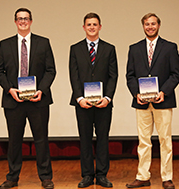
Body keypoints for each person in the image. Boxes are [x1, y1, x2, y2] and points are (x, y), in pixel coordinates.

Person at [0, 8, 56, 189]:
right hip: (13, 101)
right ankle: (12, 177)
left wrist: (41, 90)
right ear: (15, 22)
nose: (23, 21)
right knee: (14, 140)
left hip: (38, 100)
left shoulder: (43, 43)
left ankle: (45, 177)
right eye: (20, 19)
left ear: (31, 21)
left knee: (41, 140)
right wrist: (9, 89)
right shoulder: (4, 44)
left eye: (26, 18)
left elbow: (51, 70)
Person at [126, 13, 179, 189]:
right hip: (142, 102)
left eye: (153, 24)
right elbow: (130, 76)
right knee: (144, 141)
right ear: (143, 26)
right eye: (147, 24)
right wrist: (136, 93)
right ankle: (143, 176)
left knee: (165, 140)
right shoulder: (134, 48)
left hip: (163, 101)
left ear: (158, 25)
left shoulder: (170, 47)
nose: (150, 27)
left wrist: (164, 91)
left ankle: (167, 178)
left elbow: (175, 74)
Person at [69, 13, 118, 188]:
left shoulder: (109, 48)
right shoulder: (75, 48)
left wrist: (108, 97)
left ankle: (102, 175)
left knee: (103, 138)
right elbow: (73, 76)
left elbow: (113, 76)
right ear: (84, 27)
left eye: (94, 24)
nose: (91, 27)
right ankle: (87, 175)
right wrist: (79, 98)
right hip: (83, 103)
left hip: (103, 104)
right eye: (88, 24)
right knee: (85, 139)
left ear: (100, 26)